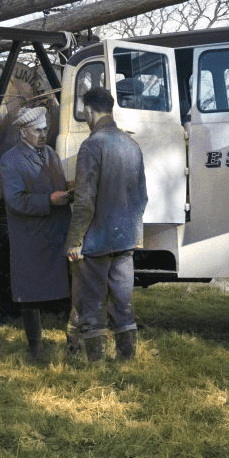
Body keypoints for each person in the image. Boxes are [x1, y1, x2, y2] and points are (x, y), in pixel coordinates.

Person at [64, 86, 148, 363]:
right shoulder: (131, 144)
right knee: (123, 302)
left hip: (96, 241)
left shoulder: (92, 145)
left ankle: (95, 364)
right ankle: (126, 360)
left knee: (92, 303)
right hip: (125, 240)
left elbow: (85, 200)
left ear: (89, 111)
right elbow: (141, 196)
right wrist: (134, 232)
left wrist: (75, 240)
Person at [0, 106, 73, 361]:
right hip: (30, 238)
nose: (44, 134)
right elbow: (16, 200)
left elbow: (56, 185)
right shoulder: (10, 160)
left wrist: (67, 190)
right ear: (23, 132)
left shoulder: (50, 154)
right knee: (30, 295)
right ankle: (35, 349)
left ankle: (72, 345)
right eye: (38, 130)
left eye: (45, 129)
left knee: (67, 292)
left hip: (55, 234)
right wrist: (49, 200)